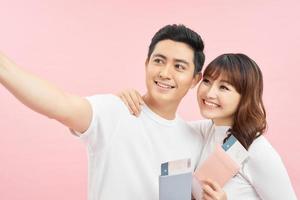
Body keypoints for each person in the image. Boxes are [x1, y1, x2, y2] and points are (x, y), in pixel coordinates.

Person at [0, 24, 208, 200]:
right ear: (146, 64)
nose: (164, 73)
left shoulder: (196, 138)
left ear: (194, 80)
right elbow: (60, 104)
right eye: (158, 61)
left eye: (179, 66)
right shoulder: (115, 111)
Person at [118, 53, 297, 199]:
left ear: (245, 97)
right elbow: (161, 127)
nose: (210, 93)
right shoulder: (203, 132)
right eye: (207, 81)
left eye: (224, 88)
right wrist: (127, 99)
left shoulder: (256, 149)